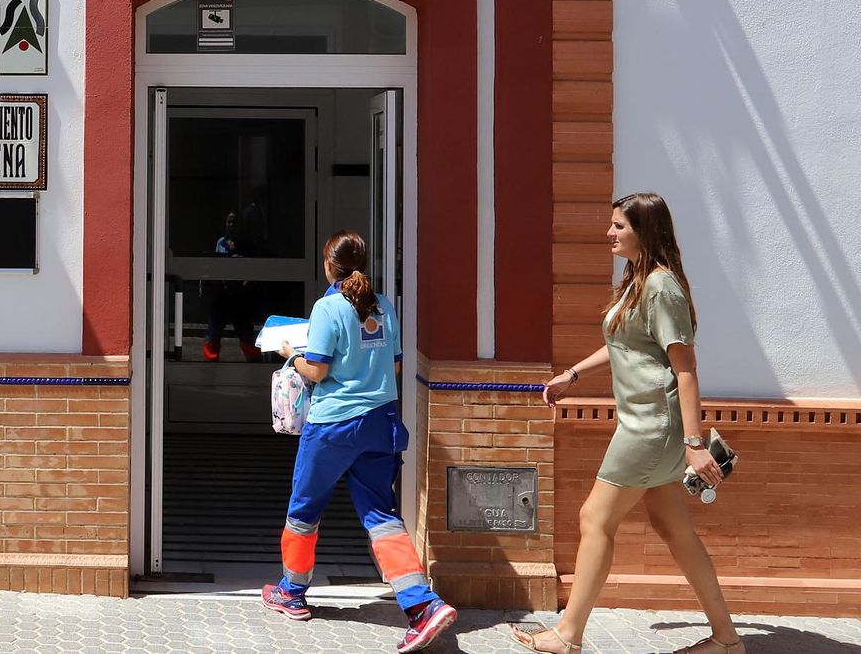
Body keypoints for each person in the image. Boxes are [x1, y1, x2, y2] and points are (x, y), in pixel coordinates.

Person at [512, 193, 743, 654]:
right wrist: (574, 374)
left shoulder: (662, 287)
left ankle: (567, 634)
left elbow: (686, 369)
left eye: (619, 225)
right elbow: (625, 345)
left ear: (644, 230)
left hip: (651, 427)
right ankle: (726, 639)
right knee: (672, 527)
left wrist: (695, 445)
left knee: (594, 517)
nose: (609, 233)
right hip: (644, 423)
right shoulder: (638, 281)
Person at [262, 232, 458, 653]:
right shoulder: (383, 305)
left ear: (329, 266)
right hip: (379, 422)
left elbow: (315, 372)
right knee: (382, 515)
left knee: (304, 509)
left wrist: (289, 355)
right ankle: (422, 606)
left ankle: (292, 594)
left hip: (332, 426)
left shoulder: (327, 307)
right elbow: (396, 365)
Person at [203, 211, 261, 362]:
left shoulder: (247, 244)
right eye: (228, 222)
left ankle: (255, 363)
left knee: (244, 330)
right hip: (221, 291)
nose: (231, 225)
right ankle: (210, 364)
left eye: (234, 222)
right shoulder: (220, 242)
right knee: (214, 330)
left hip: (239, 293)